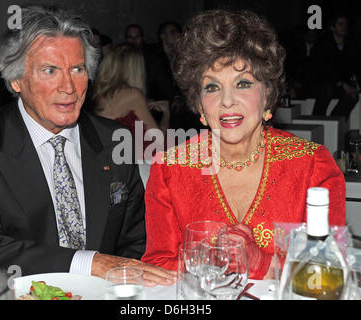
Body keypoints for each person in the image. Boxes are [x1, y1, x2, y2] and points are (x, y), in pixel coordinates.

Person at [0, 5, 175, 287]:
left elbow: (137, 239)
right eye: (50, 70)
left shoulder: (114, 140)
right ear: (16, 80)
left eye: (77, 69)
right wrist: (88, 263)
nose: (68, 86)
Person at [141, 9, 346, 279]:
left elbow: (331, 269)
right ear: (198, 103)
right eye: (212, 87)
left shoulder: (312, 165)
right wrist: (211, 261)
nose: (227, 101)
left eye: (243, 83)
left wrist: (260, 261)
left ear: (267, 95)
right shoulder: (169, 169)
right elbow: (158, 265)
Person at [92, 44, 170, 146]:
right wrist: (166, 114)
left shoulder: (97, 92)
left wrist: (143, 107)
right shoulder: (133, 95)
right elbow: (159, 141)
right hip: (122, 158)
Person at [310, 13, 361, 119]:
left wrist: (353, 84)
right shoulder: (322, 44)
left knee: (353, 96)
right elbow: (320, 69)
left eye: (346, 24)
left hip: (341, 84)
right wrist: (341, 83)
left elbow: (354, 67)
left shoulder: (351, 45)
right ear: (333, 28)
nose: (344, 27)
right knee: (326, 90)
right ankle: (316, 120)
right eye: (340, 24)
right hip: (323, 82)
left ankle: (336, 120)